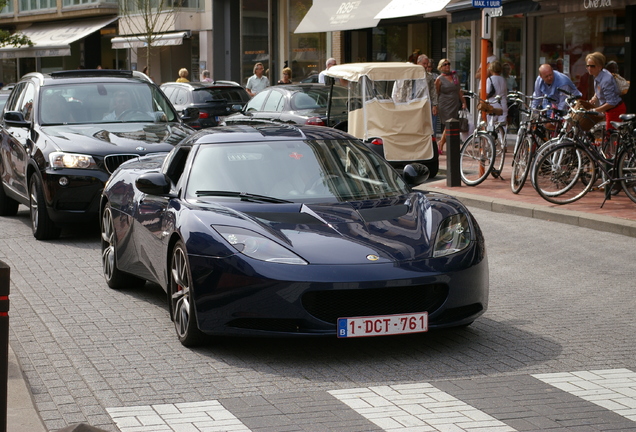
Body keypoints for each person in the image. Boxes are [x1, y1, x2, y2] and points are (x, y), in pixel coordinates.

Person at [586, 51, 626, 131]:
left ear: (600, 67)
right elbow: (599, 88)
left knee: (610, 136)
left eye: (592, 66)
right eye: (588, 66)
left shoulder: (606, 80)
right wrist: (595, 97)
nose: (589, 68)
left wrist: (595, 110)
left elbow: (611, 103)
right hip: (608, 110)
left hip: (615, 110)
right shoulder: (598, 74)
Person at [435, 58, 466, 155]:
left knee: (451, 124)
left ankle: (442, 143)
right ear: (441, 67)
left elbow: (459, 90)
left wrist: (463, 102)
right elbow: (436, 93)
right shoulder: (439, 79)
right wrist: (435, 106)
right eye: (445, 64)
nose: (447, 66)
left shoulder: (455, 76)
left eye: (448, 64)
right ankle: (441, 143)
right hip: (444, 104)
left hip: (454, 103)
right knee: (448, 124)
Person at [416, 54, 438, 125]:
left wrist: (434, 105)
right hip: (414, 102)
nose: (425, 66)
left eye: (427, 64)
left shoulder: (429, 76)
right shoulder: (412, 75)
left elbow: (433, 91)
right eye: (424, 64)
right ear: (418, 63)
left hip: (426, 102)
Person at [485, 61, 508, 126]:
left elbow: (487, 92)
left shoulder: (490, 79)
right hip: (503, 103)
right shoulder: (503, 79)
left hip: (493, 103)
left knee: (491, 125)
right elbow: (505, 93)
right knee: (502, 126)